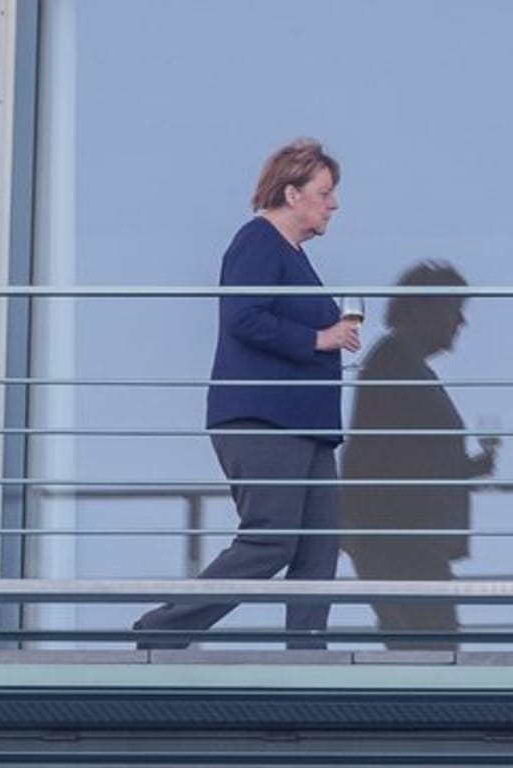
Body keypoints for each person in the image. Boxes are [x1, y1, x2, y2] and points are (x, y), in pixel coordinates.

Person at [134, 138, 358, 650]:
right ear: (293, 193)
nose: (334, 205)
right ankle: (164, 629)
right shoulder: (257, 241)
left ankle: (307, 655)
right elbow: (243, 316)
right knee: (271, 538)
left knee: (318, 547)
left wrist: (331, 330)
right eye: (325, 193)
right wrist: (318, 338)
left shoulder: (294, 255)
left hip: (307, 426)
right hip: (265, 420)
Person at [340, 261, 495, 650]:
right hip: (398, 538)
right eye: (452, 309)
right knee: (430, 650)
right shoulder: (393, 364)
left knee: (429, 648)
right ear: (421, 310)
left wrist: (467, 467)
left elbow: (408, 456)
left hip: (406, 537)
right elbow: (381, 455)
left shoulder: (403, 365)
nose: (460, 322)